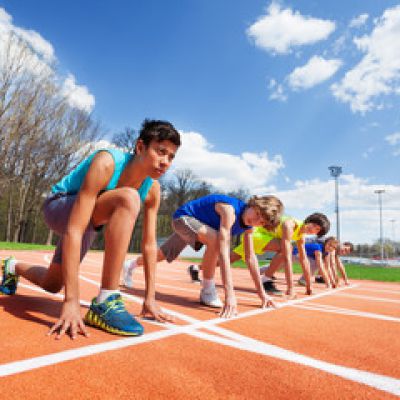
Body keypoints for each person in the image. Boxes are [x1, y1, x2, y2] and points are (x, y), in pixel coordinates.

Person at [0, 119, 180, 339]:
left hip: (90, 222)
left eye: (171, 157)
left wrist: (150, 298)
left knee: (53, 283)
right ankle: (106, 299)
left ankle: (12, 266)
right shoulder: (106, 163)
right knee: (129, 197)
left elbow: (150, 245)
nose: (165, 162)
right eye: (160, 152)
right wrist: (71, 301)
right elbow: (75, 229)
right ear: (140, 147)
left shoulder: (153, 189)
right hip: (60, 206)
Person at [124, 194, 283, 318]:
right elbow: (223, 251)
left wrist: (262, 294)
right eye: (257, 214)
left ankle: (130, 264)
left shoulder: (249, 228)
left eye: (261, 222)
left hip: (201, 227)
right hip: (184, 218)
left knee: (162, 254)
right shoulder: (230, 211)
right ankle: (208, 290)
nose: (255, 221)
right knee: (216, 240)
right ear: (253, 204)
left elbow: (250, 258)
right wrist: (229, 294)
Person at [233, 213, 330, 299]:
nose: (313, 229)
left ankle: (265, 279)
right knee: (286, 249)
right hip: (254, 234)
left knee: (227, 259)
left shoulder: (300, 237)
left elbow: (304, 260)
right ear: (308, 221)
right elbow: (287, 257)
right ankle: (266, 279)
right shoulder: (290, 225)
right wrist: (290, 288)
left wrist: (309, 286)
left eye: (317, 229)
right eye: (313, 225)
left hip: (262, 238)